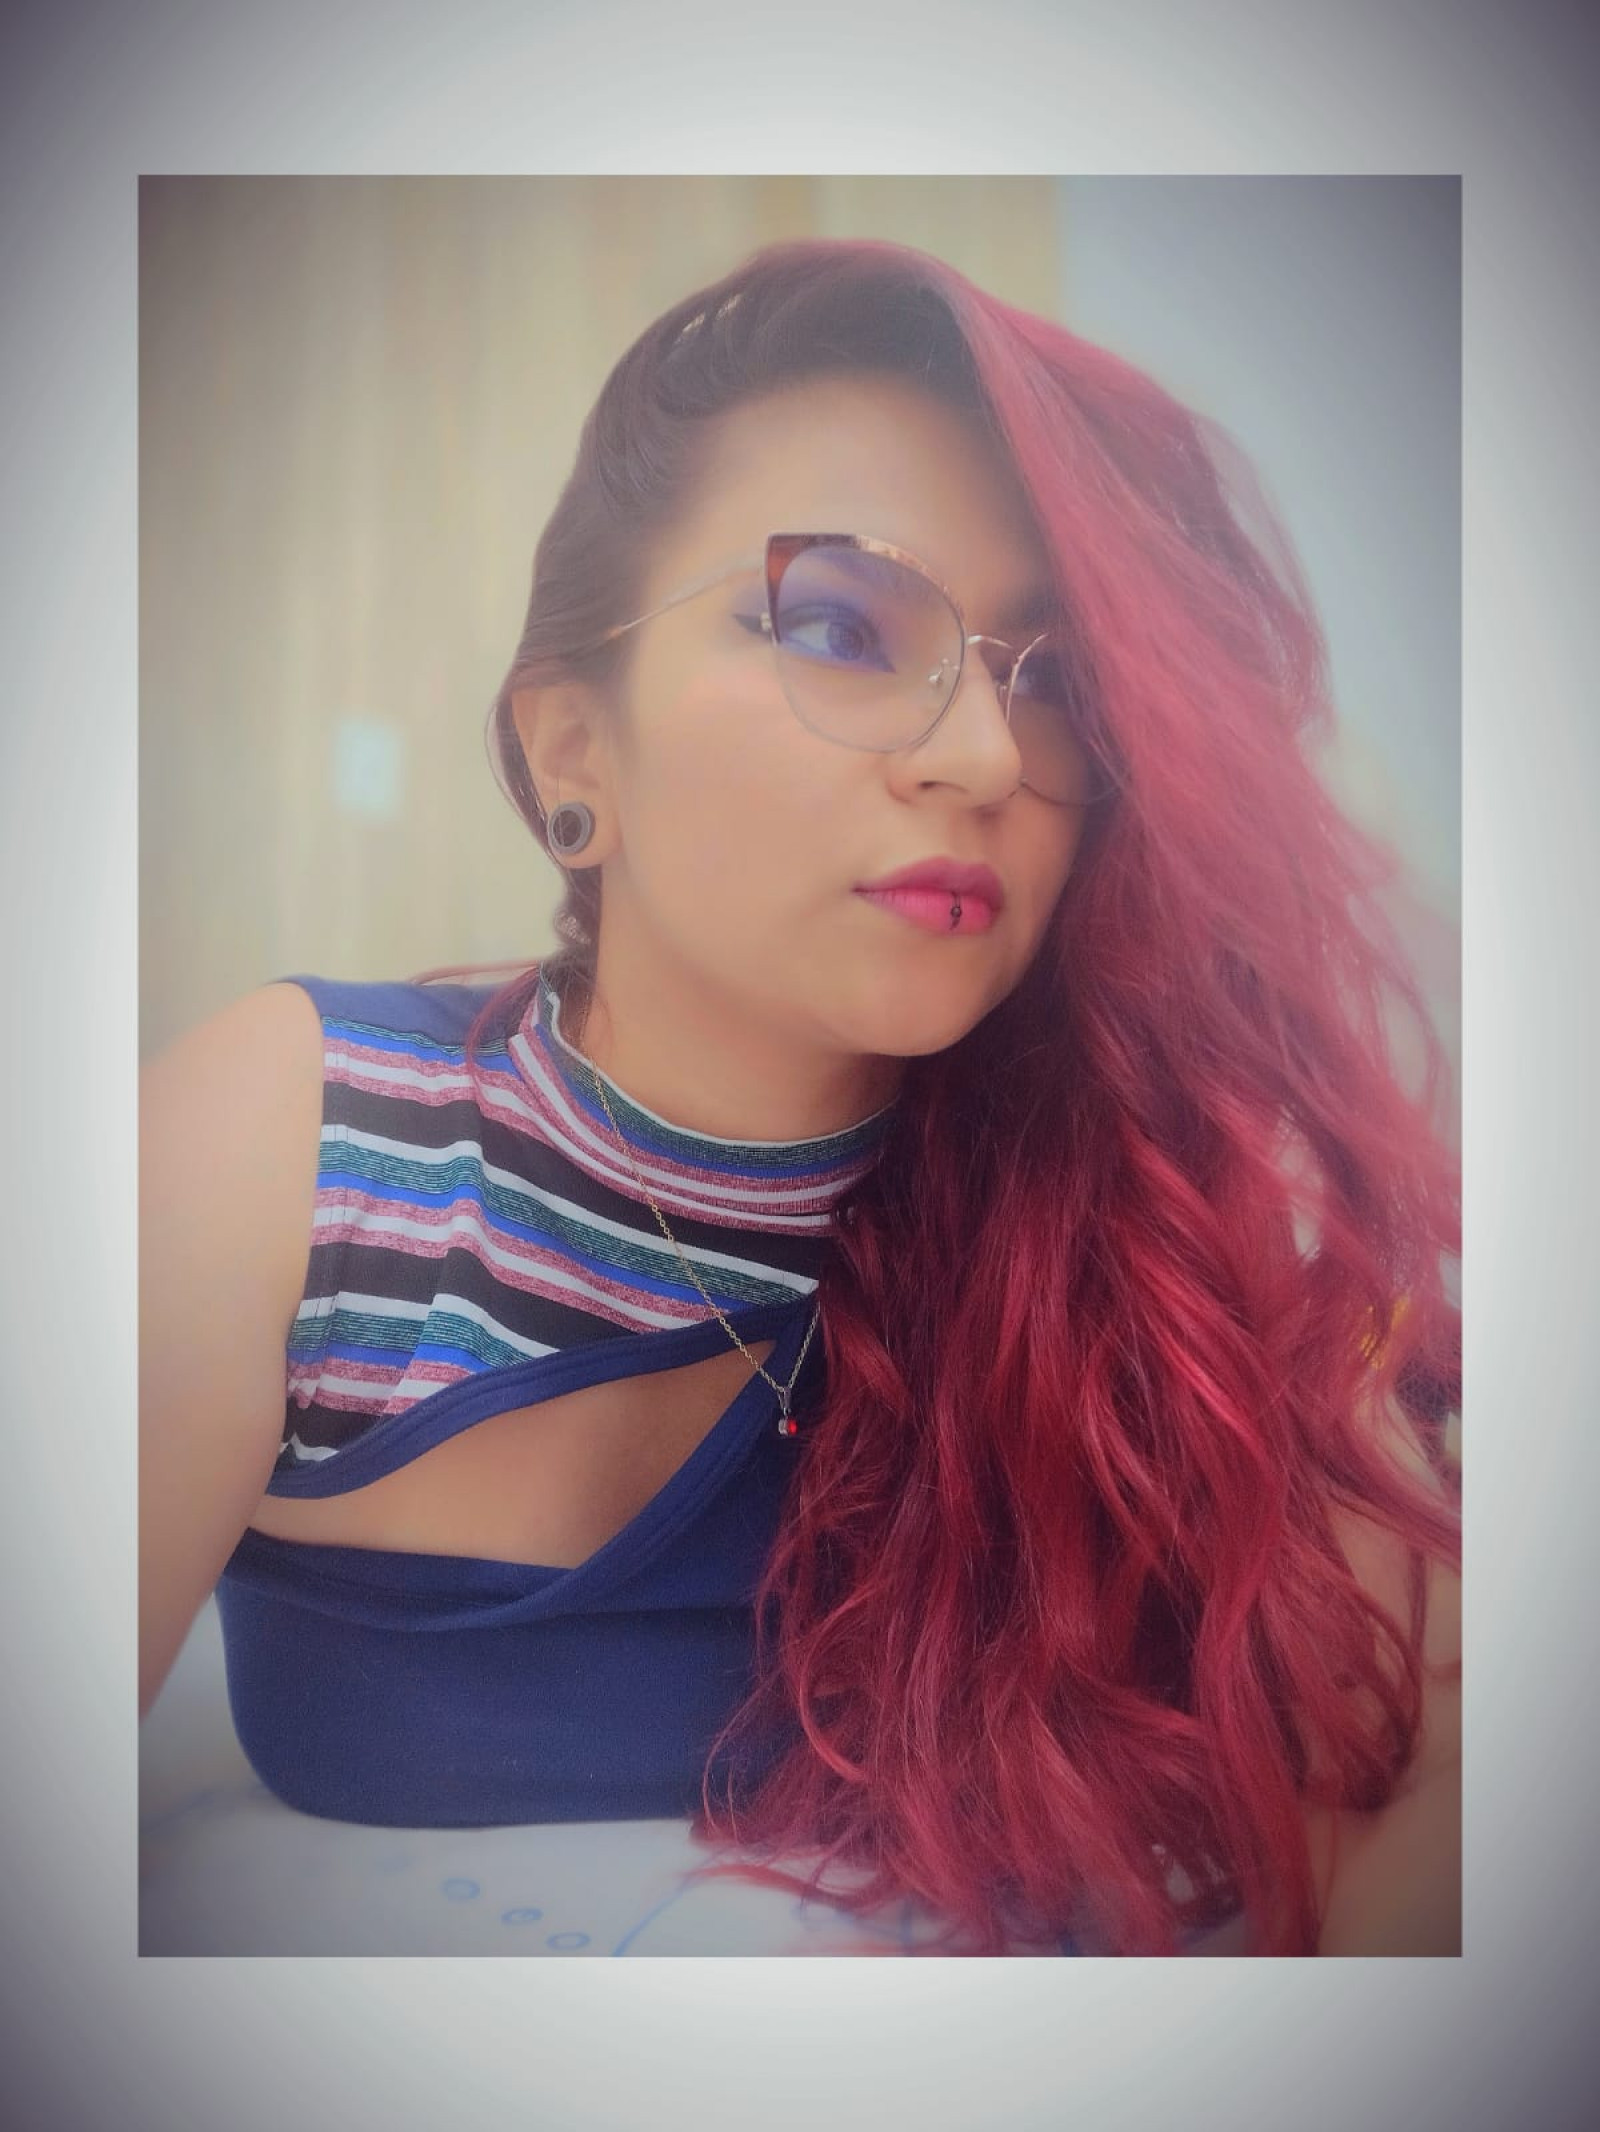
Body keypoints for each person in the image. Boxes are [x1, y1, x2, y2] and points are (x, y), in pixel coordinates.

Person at [139, 235, 1461, 1957]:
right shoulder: (307, 1146)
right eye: (839, 624)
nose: (984, 757)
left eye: (1055, 681)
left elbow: (1427, 1787)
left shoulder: (1172, 1219)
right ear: (572, 748)